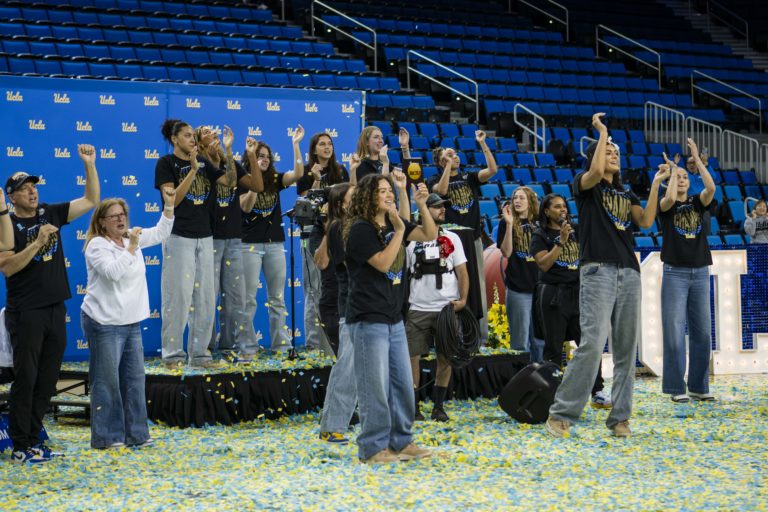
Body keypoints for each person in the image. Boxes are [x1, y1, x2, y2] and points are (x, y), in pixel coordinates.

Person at [546, 113, 668, 439]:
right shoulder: (585, 185)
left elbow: (645, 221)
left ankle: (620, 419)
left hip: (629, 270)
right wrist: (602, 133)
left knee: (627, 350)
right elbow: (597, 170)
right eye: (608, 151)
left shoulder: (627, 194)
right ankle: (561, 413)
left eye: (616, 152)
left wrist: (656, 183)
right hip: (597, 269)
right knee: (591, 344)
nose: (613, 154)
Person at [0, 144, 100, 464]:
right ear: (11, 197)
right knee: (26, 377)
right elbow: (8, 266)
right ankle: (20, 445)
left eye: (33, 186)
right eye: (24, 188)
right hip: (26, 312)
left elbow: (91, 200)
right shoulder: (7, 225)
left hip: (56, 307)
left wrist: (89, 165)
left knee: (47, 378)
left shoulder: (50, 212)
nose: (32, 191)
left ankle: (35, 438)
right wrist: (39, 242)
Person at [344, 174, 437, 463]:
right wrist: (398, 231)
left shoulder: (393, 221)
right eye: (381, 191)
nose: (388, 195)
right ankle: (372, 448)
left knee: (401, 385)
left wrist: (421, 205)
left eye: (389, 190)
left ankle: (401, 441)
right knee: (375, 387)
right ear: (368, 196)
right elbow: (384, 264)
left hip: (393, 317)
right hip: (367, 317)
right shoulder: (361, 229)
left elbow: (429, 235)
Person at [81, 188, 176, 449]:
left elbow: (160, 232)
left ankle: (137, 434)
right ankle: (107, 437)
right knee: (107, 382)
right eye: (113, 217)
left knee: (135, 380)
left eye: (122, 215)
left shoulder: (129, 238)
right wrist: (132, 247)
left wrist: (168, 207)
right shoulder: (97, 245)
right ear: (101, 222)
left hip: (130, 321)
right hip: (104, 323)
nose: (120, 220)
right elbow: (113, 273)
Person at [155, 119, 237, 369]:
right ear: (174, 138)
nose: (192, 139)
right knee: (177, 298)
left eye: (193, 135)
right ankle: (173, 356)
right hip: (178, 236)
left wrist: (229, 151)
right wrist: (191, 170)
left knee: (204, 299)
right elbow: (173, 201)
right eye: (187, 135)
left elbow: (230, 182)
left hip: (205, 236)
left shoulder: (203, 162)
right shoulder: (166, 164)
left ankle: (200, 355)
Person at [530, 193, 610, 409]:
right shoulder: (540, 235)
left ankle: (597, 391)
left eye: (564, 206)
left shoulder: (577, 231)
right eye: (556, 207)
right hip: (553, 295)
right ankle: (553, 393)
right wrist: (560, 242)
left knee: (590, 343)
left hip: (580, 293)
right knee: (553, 347)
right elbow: (543, 265)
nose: (562, 210)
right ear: (546, 211)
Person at [195, 125, 263, 359]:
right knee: (208, 295)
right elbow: (222, 182)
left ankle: (232, 346)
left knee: (236, 298)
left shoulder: (228, 162)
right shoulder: (199, 165)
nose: (213, 134)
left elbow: (257, 186)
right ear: (198, 142)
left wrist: (249, 155)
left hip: (233, 237)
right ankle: (205, 348)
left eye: (215, 132)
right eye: (206, 133)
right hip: (209, 237)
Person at [659, 139, 717, 403]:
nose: (681, 179)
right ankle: (675, 387)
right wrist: (672, 171)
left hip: (701, 272)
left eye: (684, 177)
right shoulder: (666, 204)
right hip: (675, 273)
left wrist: (697, 158)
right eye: (677, 177)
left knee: (703, 331)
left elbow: (711, 187)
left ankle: (698, 385)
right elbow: (670, 197)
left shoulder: (697, 202)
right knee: (673, 331)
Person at [428, 130, 499, 345]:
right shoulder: (433, 179)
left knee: (476, 286)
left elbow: (493, 170)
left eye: (455, 154)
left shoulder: (469, 177)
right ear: (440, 162)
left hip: (472, 239)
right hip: (448, 242)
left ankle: (478, 335)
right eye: (448, 155)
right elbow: (440, 191)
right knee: (451, 283)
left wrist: (483, 144)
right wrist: (447, 166)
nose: (454, 157)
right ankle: (451, 332)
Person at [239, 127, 305, 353]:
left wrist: (295, 144)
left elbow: (297, 174)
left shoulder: (275, 179)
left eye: (267, 157)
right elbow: (246, 207)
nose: (265, 160)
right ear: (251, 157)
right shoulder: (242, 179)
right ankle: (248, 346)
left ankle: (281, 345)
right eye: (260, 156)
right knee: (248, 300)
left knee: (277, 298)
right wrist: (256, 183)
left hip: (275, 244)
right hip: (248, 245)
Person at [406, 193, 469, 422]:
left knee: (446, 357)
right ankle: (413, 407)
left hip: (446, 307)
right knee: (412, 357)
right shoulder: (411, 238)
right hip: (418, 308)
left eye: (443, 207)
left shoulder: (453, 238)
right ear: (424, 210)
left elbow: (462, 272)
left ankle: (439, 406)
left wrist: (462, 300)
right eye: (437, 207)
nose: (442, 210)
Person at [296, 132, 349, 353]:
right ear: (314, 149)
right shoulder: (306, 173)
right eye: (322, 144)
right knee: (314, 290)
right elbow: (305, 206)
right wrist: (316, 179)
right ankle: (313, 345)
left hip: (341, 235)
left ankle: (336, 342)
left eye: (330, 144)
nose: (327, 147)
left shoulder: (341, 171)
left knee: (337, 287)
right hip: (315, 234)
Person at [314, 183, 356, 443]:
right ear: (341, 205)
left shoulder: (364, 224)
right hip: (346, 306)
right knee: (347, 367)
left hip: (372, 306)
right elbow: (321, 262)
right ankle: (331, 425)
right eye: (354, 197)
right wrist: (330, 226)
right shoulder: (336, 228)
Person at [497, 186, 544, 362]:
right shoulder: (505, 223)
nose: (517, 201)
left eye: (522, 198)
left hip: (540, 289)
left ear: (531, 201)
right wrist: (509, 225)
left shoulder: (541, 223)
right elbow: (506, 253)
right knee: (520, 343)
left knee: (540, 341)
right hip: (518, 289)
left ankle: (541, 380)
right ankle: (521, 382)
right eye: (515, 197)